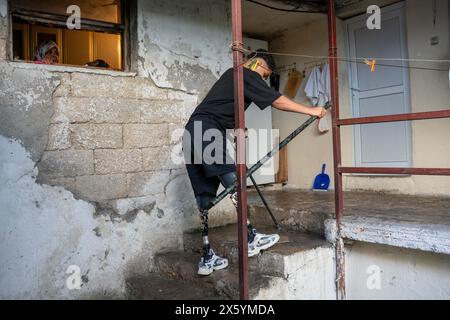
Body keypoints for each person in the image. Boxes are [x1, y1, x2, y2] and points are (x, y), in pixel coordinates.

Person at [183, 49, 327, 276]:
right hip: (205, 130)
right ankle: (250, 237)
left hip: (192, 132)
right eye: (264, 75)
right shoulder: (245, 74)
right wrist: (311, 110)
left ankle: (207, 257)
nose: (262, 80)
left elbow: (218, 108)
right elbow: (276, 101)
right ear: (257, 64)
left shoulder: (231, 76)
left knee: (205, 197)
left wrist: (236, 127)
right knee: (233, 181)